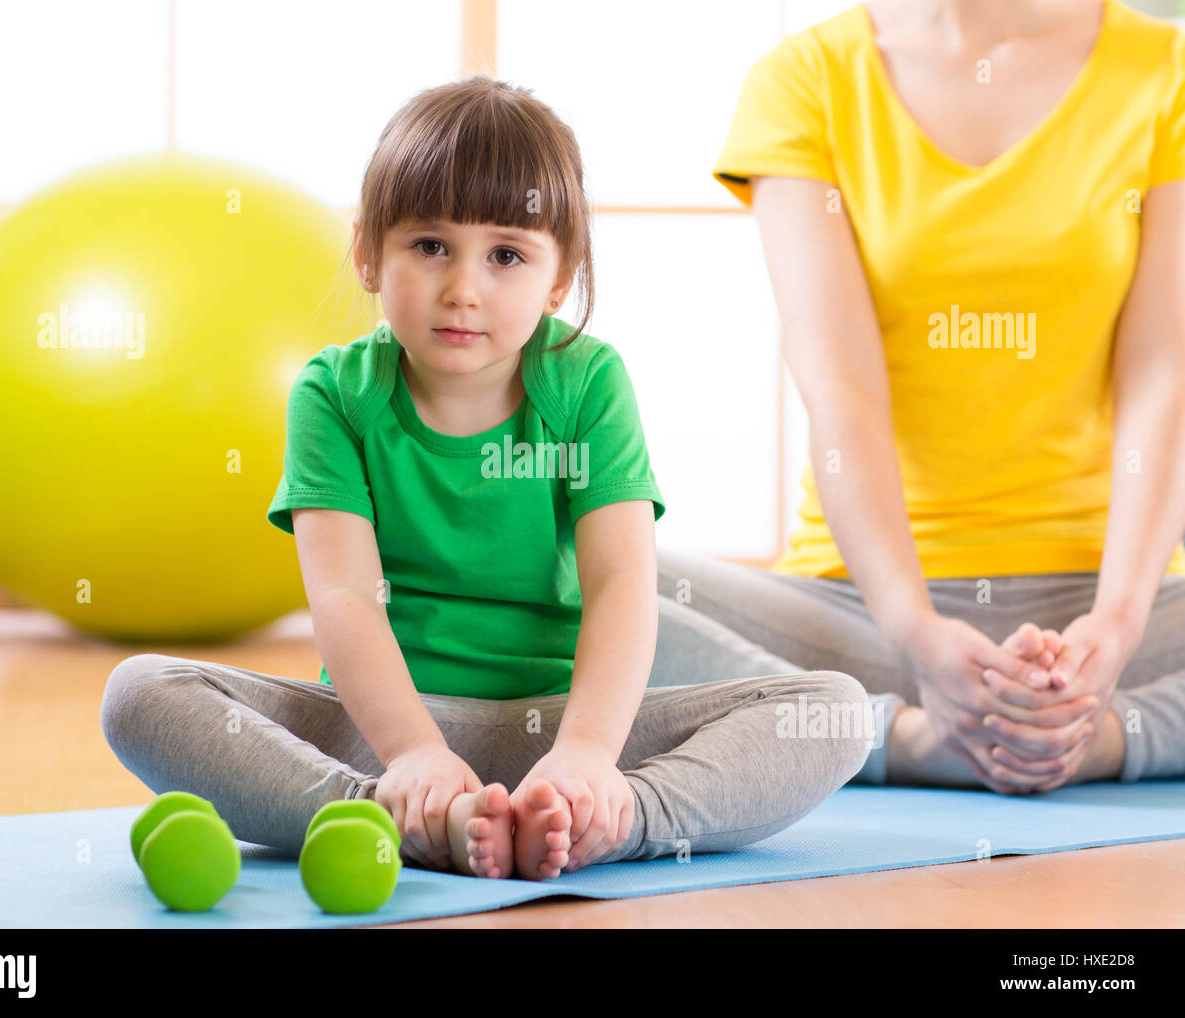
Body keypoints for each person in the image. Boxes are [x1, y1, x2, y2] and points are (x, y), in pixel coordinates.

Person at [100, 75, 873, 882]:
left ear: (560, 278)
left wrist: (585, 757)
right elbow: (344, 601)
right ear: (368, 252)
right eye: (430, 245)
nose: (463, 288)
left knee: (831, 713)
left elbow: (620, 584)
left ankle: (612, 821)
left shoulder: (587, 382)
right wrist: (413, 757)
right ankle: (389, 814)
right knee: (140, 693)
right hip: (384, 728)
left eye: (506, 255)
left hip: (560, 727)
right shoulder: (332, 395)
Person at [662, 0, 1185, 795]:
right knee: (575, 582)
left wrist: (1113, 629)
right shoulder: (805, 78)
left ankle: (1106, 735)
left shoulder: (1166, 70)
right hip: (860, 616)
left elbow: (1165, 374)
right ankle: (900, 739)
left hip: (1124, 618)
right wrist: (919, 635)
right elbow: (842, 391)